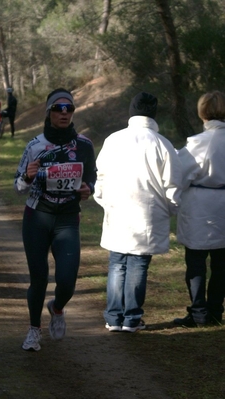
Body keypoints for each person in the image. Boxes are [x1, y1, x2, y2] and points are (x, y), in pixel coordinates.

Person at [14, 88, 97, 351]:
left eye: (69, 108)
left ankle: (57, 307)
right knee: (38, 278)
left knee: (68, 280)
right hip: (37, 217)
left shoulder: (84, 145)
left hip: (67, 219)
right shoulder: (35, 146)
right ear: (48, 112)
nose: (64, 113)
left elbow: (92, 178)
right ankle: (34, 330)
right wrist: (27, 176)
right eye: (58, 109)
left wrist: (88, 189)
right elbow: (17, 186)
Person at [94, 92, 182, 333]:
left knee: (117, 263)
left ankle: (113, 317)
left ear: (131, 112)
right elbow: (173, 185)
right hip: (148, 214)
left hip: (118, 209)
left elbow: (99, 176)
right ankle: (132, 319)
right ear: (153, 114)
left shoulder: (113, 139)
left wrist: (105, 201)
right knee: (138, 264)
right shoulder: (163, 143)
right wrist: (170, 210)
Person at [174, 90, 225, 328]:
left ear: (202, 112)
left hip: (200, 207)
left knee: (195, 262)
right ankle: (215, 311)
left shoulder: (198, 143)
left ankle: (198, 312)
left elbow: (179, 175)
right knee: (221, 263)